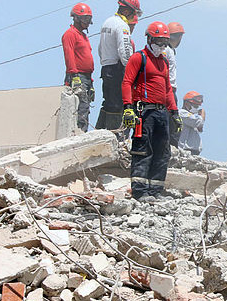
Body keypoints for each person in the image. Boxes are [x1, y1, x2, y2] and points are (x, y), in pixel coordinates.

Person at [121, 21, 182, 200]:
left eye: (164, 42)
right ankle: (140, 191)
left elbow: (168, 89)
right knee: (143, 149)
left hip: (162, 113)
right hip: (144, 112)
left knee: (162, 151)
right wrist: (127, 108)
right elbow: (127, 82)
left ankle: (155, 190)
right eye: (158, 41)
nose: (161, 46)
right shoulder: (139, 58)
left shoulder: (163, 62)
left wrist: (175, 113)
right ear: (149, 39)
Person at [97, 0, 141, 131]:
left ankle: (99, 131)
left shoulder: (107, 22)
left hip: (106, 68)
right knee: (117, 105)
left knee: (108, 103)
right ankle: (113, 134)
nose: (134, 17)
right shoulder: (123, 26)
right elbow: (125, 51)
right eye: (133, 14)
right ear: (127, 11)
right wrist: (132, 72)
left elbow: (100, 49)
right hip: (117, 69)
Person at [62, 3, 95, 132]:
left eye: (88, 19)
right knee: (80, 106)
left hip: (86, 77)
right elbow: (69, 56)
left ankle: (82, 131)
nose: (87, 22)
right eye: (84, 19)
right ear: (76, 18)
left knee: (85, 106)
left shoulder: (83, 35)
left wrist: (90, 82)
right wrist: (74, 76)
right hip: (77, 75)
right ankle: (80, 133)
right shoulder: (70, 34)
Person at [165, 22, 185, 146]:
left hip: (170, 89)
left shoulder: (170, 51)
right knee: (173, 122)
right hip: (169, 90)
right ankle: (171, 148)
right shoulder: (166, 51)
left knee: (173, 122)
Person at [178, 91, 205, 156]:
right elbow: (199, 122)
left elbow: (200, 128)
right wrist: (203, 114)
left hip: (194, 151)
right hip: (186, 150)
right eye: (195, 106)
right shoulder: (182, 113)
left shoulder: (193, 116)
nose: (197, 108)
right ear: (187, 103)